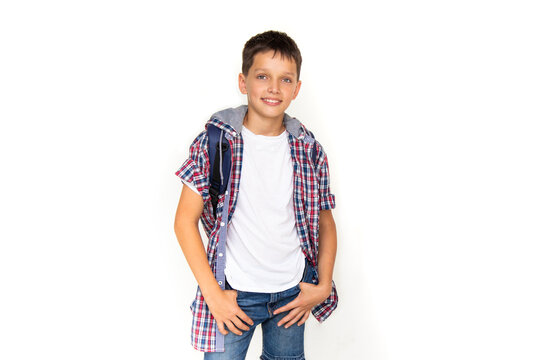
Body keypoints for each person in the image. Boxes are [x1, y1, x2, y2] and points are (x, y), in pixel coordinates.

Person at [173, 30, 338, 360]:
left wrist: (322, 286)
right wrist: (214, 295)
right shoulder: (216, 141)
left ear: (296, 89)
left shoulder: (308, 149)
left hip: (292, 292)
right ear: (243, 81)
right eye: (262, 76)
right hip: (234, 293)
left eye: (285, 79)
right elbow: (183, 222)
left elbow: (326, 222)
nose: (274, 88)